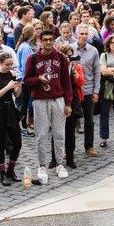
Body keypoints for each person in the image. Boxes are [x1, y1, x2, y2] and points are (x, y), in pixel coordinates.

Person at [24, 28, 72, 183]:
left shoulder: (61, 57)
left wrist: (68, 102)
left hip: (58, 99)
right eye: (45, 40)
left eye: (51, 39)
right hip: (40, 100)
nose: (48, 42)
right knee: (41, 135)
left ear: (54, 40)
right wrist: (39, 79)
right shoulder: (33, 58)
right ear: (40, 41)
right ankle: (42, 166)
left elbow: (66, 81)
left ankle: (59, 164)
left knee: (59, 134)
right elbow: (27, 80)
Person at [0, 52, 22, 185]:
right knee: (0, 144)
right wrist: (8, 86)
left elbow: (17, 95)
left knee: (17, 143)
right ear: (0, 62)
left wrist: (19, 87)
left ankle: (10, 170)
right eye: (7, 64)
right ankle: (2, 174)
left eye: (11, 64)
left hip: (11, 110)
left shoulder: (12, 74)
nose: (9, 67)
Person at [74, 26, 101, 155]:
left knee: (89, 120)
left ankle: (89, 146)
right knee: (71, 121)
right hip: (74, 91)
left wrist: (96, 91)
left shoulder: (93, 51)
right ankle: (69, 149)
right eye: (81, 34)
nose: (84, 36)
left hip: (88, 90)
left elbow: (97, 72)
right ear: (76, 35)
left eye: (86, 34)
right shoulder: (70, 49)